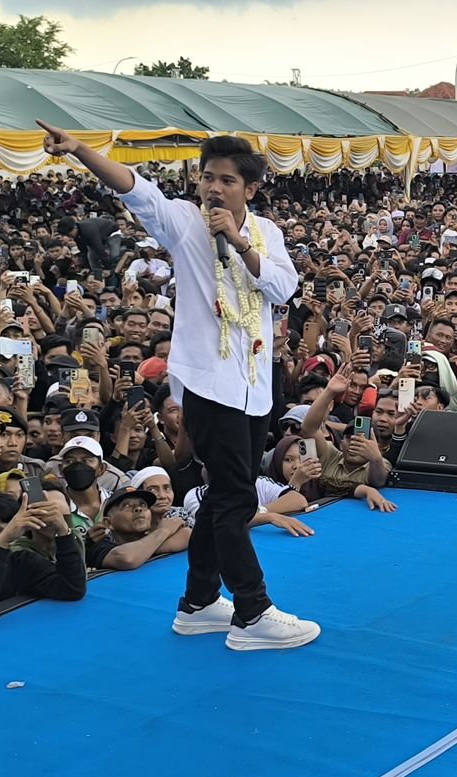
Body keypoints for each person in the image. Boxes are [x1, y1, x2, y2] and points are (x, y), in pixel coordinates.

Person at [38, 121, 319, 650]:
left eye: (227, 180)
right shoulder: (186, 223)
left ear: (250, 189)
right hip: (209, 385)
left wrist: (239, 243)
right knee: (235, 500)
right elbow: (136, 188)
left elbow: (283, 287)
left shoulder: (266, 233)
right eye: (207, 177)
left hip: (255, 385)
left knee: (224, 496)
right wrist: (79, 151)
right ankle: (252, 612)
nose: (213, 188)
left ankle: (198, 604)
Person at [0, 491, 85, 618]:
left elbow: (71, 589)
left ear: (15, 532)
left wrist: (63, 531)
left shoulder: (22, 561)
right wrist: (0, 543)